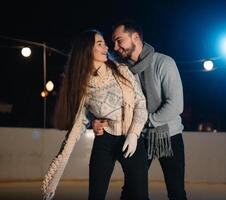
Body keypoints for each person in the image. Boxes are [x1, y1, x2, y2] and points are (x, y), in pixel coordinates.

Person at [41, 29, 149, 200]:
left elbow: (140, 103)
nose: (106, 47)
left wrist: (134, 134)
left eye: (104, 43)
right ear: (87, 49)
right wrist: (54, 178)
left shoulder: (121, 70)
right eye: (100, 44)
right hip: (104, 141)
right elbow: (76, 129)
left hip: (131, 138)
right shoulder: (83, 86)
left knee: (140, 195)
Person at [93, 20, 187, 200]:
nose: (115, 46)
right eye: (113, 42)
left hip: (170, 135)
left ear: (135, 37)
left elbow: (176, 105)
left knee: (176, 192)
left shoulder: (164, 63)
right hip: (138, 137)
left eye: (120, 40)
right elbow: (105, 99)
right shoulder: (121, 69)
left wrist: (143, 120)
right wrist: (94, 119)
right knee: (131, 190)